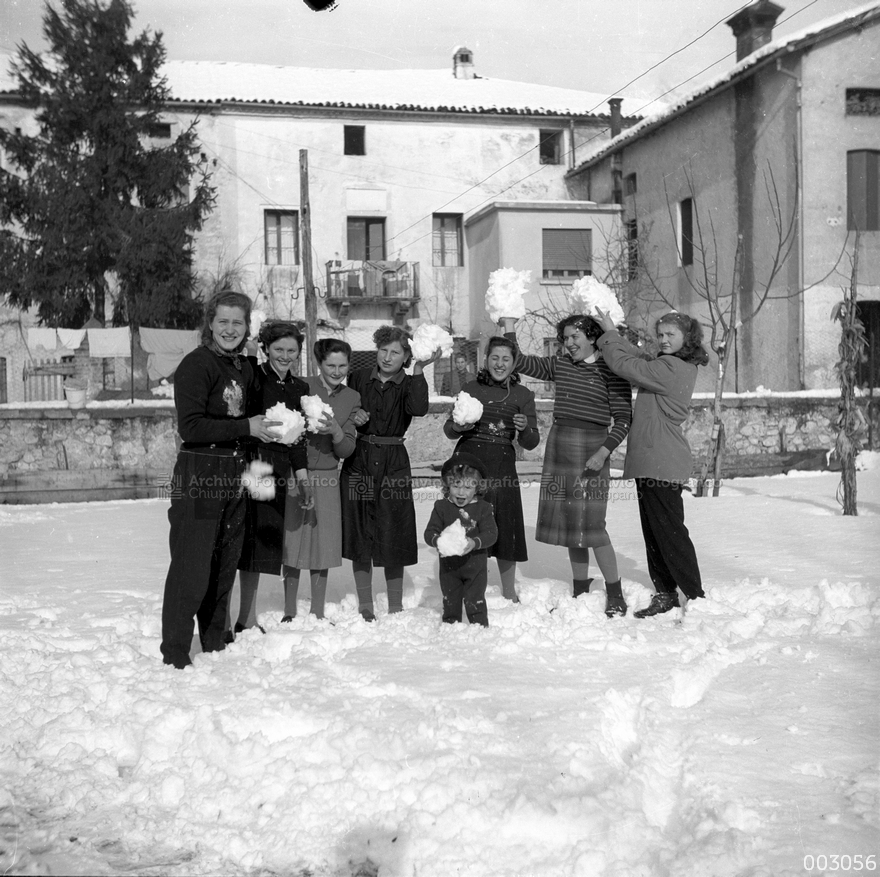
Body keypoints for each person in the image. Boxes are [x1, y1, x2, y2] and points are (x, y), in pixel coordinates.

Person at [160, 290, 280, 669]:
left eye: (238, 322)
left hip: (235, 471)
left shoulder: (242, 367)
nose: (230, 329)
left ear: (248, 327)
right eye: (223, 321)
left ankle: (214, 643)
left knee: (225, 561)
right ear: (210, 323)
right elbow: (190, 426)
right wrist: (247, 426)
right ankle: (175, 653)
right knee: (191, 565)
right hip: (200, 470)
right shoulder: (196, 365)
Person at [501, 314, 632, 617]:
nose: (569, 344)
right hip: (561, 443)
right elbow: (518, 360)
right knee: (574, 524)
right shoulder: (560, 364)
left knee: (593, 525)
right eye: (565, 338)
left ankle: (615, 592)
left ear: (591, 337)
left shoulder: (612, 370)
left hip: (593, 447)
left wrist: (603, 453)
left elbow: (624, 420)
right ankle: (581, 590)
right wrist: (508, 325)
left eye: (575, 337)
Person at [595, 308, 708, 617]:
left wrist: (608, 333)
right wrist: (615, 335)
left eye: (671, 334)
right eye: (660, 334)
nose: (663, 339)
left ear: (687, 337)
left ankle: (695, 596)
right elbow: (640, 358)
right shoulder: (668, 364)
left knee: (670, 533)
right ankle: (666, 592)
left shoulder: (672, 368)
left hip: (662, 460)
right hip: (653, 460)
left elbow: (624, 364)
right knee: (655, 533)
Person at [341, 325, 442, 621]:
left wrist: (420, 369)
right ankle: (365, 603)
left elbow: (420, 409)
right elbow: (343, 408)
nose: (387, 357)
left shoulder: (411, 383)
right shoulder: (359, 377)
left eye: (395, 352)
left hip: (394, 463)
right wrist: (352, 417)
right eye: (383, 350)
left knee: (393, 529)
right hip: (360, 459)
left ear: (406, 356)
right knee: (360, 530)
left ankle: (395, 604)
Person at [231, 321, 313, 637]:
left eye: (291, 350)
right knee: (242, 543)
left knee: (262, 546)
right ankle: (238, 618)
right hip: (249, 465)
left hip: (277, 470)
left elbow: (297, 440)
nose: (285, 356)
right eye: (278, 349)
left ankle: (246, 617)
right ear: (266, 349)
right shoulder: (253, 377)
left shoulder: (299, 389)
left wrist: (303, 480)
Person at [443, 336, 540, 602]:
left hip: (502, 465)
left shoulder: (522, 395)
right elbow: (449, 429)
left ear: (514, 362)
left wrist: (524, 428)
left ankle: (508, 590)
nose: (500, 364)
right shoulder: (471, 388)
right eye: (495, 358)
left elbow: (531, 443)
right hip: (470, 463)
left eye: (506, 359)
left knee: (506, 524)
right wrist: (459, 427)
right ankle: (470, 584)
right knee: (467, 521)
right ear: (486, 359)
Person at [282, 338, 360, 620]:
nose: (337, 371)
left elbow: (347, 449)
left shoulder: (351, 397)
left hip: (328, 476)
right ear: (319, 364)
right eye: (331, 365)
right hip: (295, 473)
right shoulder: (303, 387)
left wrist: (336, 430)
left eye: (342, 366)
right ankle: (289, 610)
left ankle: (316, 611)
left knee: (323, 543)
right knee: (292, 539)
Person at [424, 453, 498, 626]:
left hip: (475, 565)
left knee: (475, 598)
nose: (461, 492)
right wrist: (438, 541)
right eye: (456, 485)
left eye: (467, 487)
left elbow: (491, 534)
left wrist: (475, 542)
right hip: (449, 567)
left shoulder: (483, 508)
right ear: (448, 485)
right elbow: (430, 532)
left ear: (477, 488)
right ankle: (450, 625)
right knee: (450, 597)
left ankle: (479, 626)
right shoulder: (441, 507)